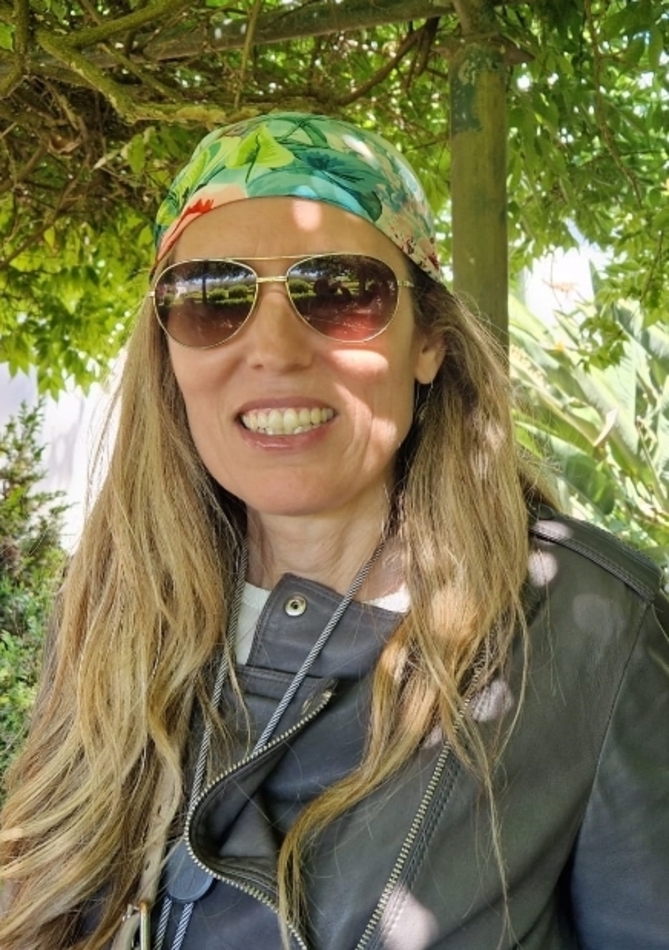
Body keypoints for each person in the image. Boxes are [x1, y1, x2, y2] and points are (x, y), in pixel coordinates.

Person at [1, 112, 668, 950]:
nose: (274, 349)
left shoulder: (584, 630)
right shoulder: (110, 609)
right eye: (212, 298)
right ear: (168, 355)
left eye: (339, 291)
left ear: (428, 342)